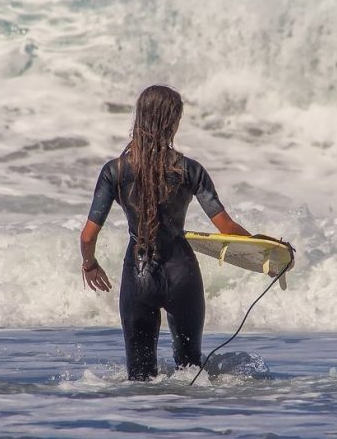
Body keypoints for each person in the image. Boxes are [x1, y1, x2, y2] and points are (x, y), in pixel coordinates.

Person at [79, 85, 253, 381]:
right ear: (172, 122)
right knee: (190, 373)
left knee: (140, 378)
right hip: (183, 275)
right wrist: (262, 247)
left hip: (138, 275)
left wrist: (90, 264)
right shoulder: (189, 169)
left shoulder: (115, 171)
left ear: (140, 118)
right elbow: (226, 228)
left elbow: (87, 236)